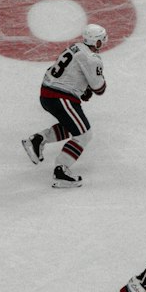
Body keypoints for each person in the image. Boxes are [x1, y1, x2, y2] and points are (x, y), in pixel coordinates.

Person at [21, 22, 107, 188]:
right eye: (102, 40)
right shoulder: (92, 58)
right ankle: (61, 170)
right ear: (97, 42)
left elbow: (70, 72)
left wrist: (81, 88)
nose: (103, 43)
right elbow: (99, 88)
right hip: (61, 97)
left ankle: (38, 140)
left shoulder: (76, 47)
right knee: (84, 134)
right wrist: (91, 86)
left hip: (48, 93)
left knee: (72, 127)